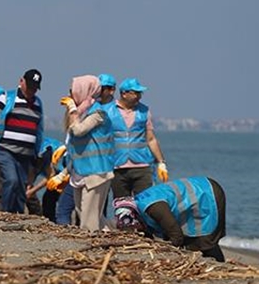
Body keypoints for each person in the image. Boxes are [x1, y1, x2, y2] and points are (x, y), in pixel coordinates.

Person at [114, 177, 227, 262]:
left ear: (135, 217)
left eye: (134, 226)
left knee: (205, 241)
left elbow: (176, 235)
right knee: (192, 242)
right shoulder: (139, 205)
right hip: (196, 195)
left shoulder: (155, 208)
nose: (135, 229)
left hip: (207, 194)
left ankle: (220, 264)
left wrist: (168, 251)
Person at [0, 69, 44, 214]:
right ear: (22, 82)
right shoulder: (6, 98)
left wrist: (37, 154)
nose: (32, 92)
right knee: (11, 180)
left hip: (25, 154)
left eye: (35, 89)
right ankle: (5, 212)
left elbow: (39, 130)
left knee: (21, 187)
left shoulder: (38, 103)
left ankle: (17, 215)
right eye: (30, 87)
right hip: (6, 150)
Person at [61, 75, 115, 231]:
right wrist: (64, 173)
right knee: (86, 213)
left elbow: (78, 130)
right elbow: (74, 145)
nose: (71, 94)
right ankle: (109, 236)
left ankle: (91, 246)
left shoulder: (97, 113)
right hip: (80, 170)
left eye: (75, 91)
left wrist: (72, 109)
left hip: (96, 171)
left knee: (88, 220)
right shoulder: (82, 112)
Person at [110, 77, 168, 199]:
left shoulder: (144, 111)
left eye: (140, 93)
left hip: (142, 166)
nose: (139, 96)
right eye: (135, 93)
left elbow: (151, 139)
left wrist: (161, 162)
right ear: (124, 94)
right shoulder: (109, 111)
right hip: (117, 166)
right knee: (121, 205)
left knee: (145, 203)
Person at [26, 136, 66, 222]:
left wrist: (32, 191)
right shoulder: (33, 153)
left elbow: (50, 176)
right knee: (48, 199)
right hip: (59, 171)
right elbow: (33, 171)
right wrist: (29, 185)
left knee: (52, 198)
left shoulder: (46, 153)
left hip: (65, 172)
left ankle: (55, 222)